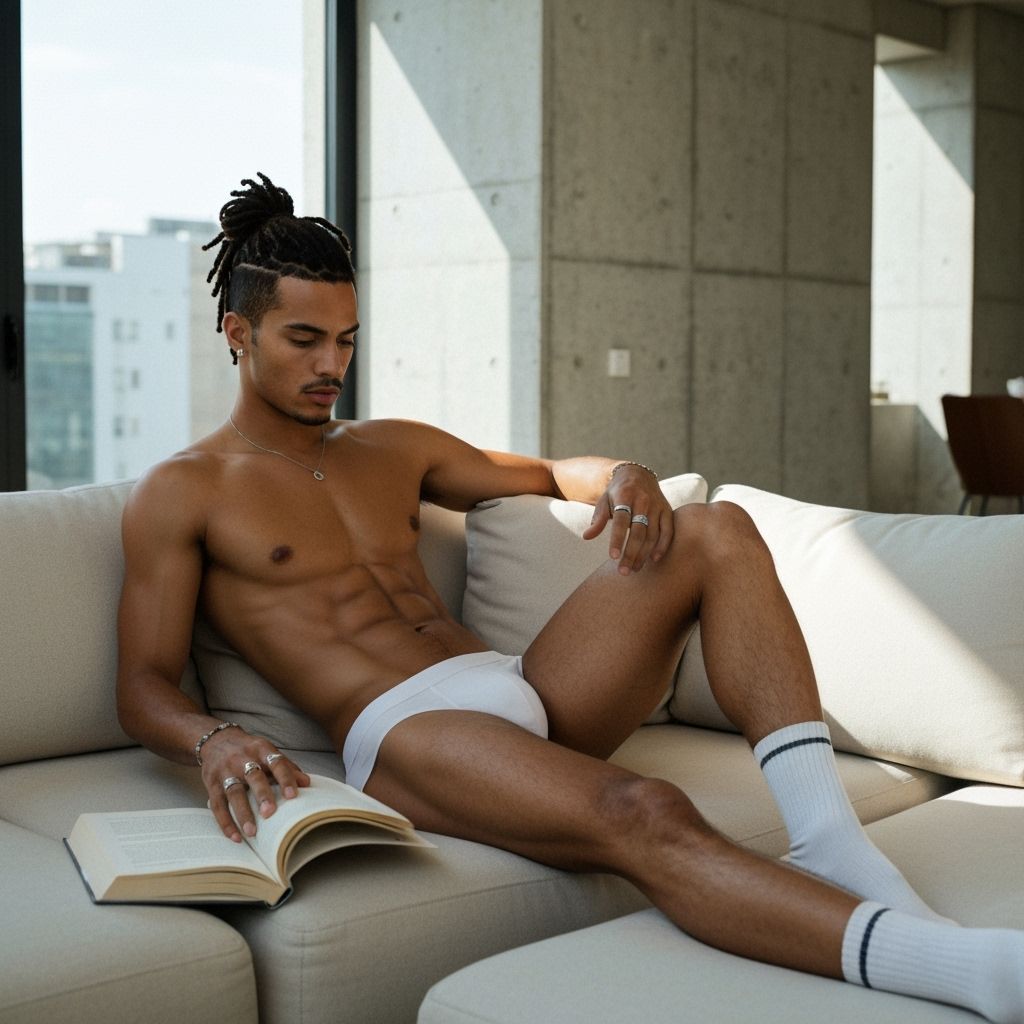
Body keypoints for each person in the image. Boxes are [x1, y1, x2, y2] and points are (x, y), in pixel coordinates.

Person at [116, 173, 1023, 1023]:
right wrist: (214, 739)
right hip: (408, 735)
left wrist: (624, 475)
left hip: (521, 686)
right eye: (303, 340)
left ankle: (827, 838)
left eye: (346, 340)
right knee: (648, 809)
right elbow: (145, 683)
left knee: (719, 528)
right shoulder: (186, 489)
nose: (332, 365)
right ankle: (973, 975)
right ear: (239, 334)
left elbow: (548, 470)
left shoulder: (389, 446)